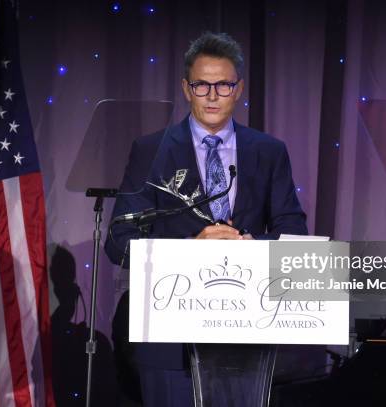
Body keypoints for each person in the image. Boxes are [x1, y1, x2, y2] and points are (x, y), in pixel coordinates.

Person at [105, 31, 307, 407]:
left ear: (239, 88)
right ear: (186, 88)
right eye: (202, 85)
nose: (213, 95)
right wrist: (188, 249)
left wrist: (249, 245)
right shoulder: (151, 150)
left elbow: (293, 232)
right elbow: (118, 239)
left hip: (246, 335)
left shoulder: (269, 151)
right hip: (170, 340)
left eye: (224, 85)